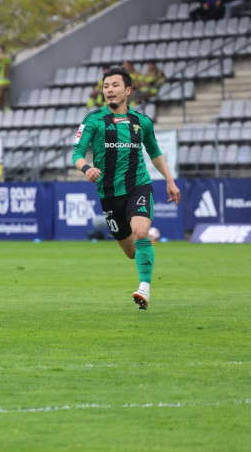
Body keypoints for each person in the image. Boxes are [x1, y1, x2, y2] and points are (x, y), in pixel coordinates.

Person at [71, 66, 181, 310]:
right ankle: (144, 247)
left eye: (115, 85)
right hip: (109, 194)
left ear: (128, 90)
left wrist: (170, 181)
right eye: (106, 86)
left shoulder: (141, 122)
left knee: (141, 232)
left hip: (138, 186)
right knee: (131, 252)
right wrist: (86, 168)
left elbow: (155, 153)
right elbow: (76, 153)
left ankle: (144, 290)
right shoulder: (94, 120)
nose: (109, 90)